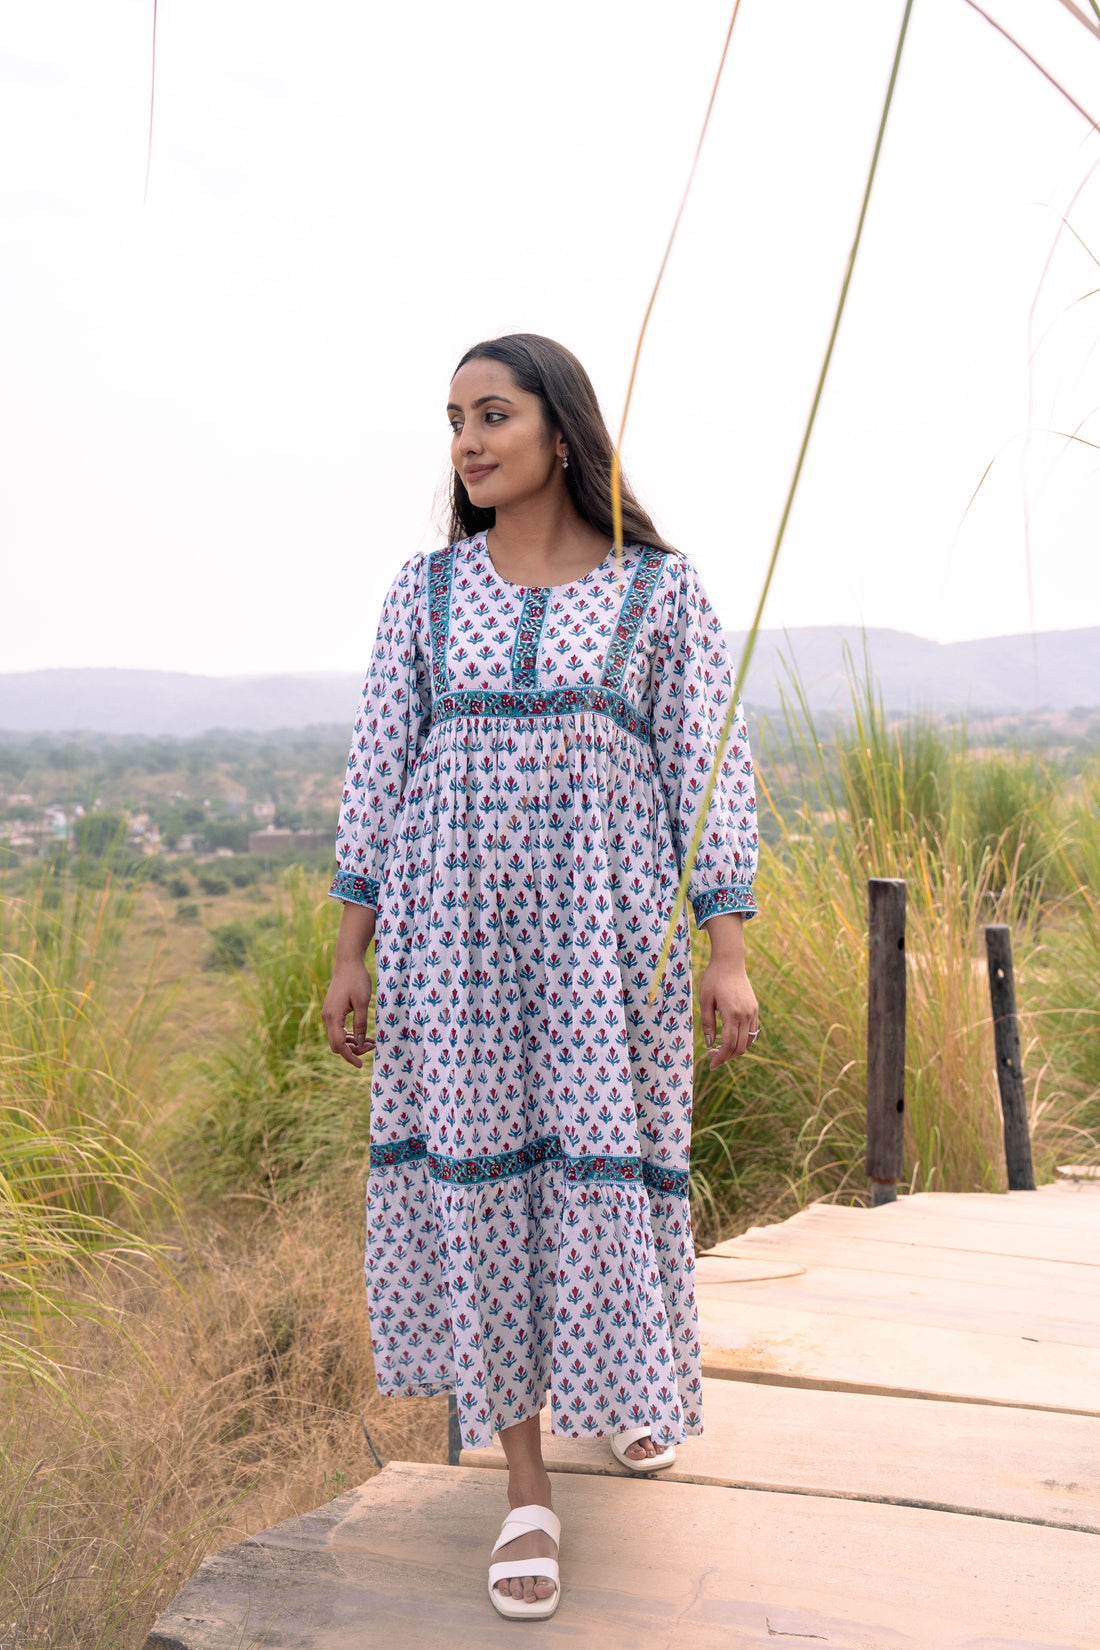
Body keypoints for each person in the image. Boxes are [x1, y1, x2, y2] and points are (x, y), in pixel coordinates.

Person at [322, 332, 759, 1621]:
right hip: (449, 949)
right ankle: (523, 1485)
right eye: (453, 420)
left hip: (603, 944)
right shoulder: (426, 591)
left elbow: (711, 767)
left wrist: (728, 948)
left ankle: (625, 1386)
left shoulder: (657, 595)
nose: (464, 441)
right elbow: (377, 772)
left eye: (492, 414)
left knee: (605, 1169)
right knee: (483, 1182)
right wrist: (351, 948)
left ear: (561, 432)